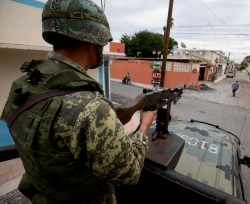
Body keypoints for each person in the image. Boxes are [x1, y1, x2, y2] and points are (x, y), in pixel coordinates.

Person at [0, 0, 156, 203]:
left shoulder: (24, 84)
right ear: (91, 41)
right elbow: (130, 174)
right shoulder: (90, 108)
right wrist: (144, 124)